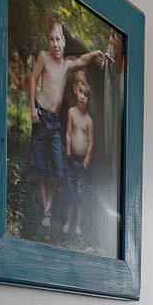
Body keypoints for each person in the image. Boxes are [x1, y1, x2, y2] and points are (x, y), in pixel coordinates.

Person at [26, 13, 102, 230]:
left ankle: (48, 206)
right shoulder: (43, 57)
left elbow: (81, 60)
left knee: (59, 172)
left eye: (58, 39)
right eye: (51, 39)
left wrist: (95, 52)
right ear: (47, 40)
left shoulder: (66, 66)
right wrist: (31, 107)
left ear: (63, 40)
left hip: (55, 123)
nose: (55, 43)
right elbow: (32, 79)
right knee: (40, 169)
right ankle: (47, 212)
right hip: (40, 118)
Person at [62, 72, 94, 240]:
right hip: (71, 159)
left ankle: (79, 224)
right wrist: (67, 151)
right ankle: (68, 221)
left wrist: (87, 159)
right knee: (70, 190)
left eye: (86, 95)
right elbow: (68, 133)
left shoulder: (89, 120)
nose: (83, 97)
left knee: (80, 193)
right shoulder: (71, 112)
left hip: (81, 163)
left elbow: (90, 143)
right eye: (81, 92)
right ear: (75, 91)